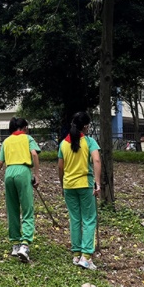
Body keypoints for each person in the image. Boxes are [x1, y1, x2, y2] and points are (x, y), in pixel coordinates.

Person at [0, 117, 41, 262]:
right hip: (23, 171)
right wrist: (37, 175)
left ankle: (15, 244)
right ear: (24, 128)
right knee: (27, 209)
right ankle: (25, 244)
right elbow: (34, 154)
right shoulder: (27, 138)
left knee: (12, 208)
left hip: (9, 173)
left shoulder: (6, 141)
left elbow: (0, 162)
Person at [57, 111, 101, 270]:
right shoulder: (89, 142)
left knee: (75, 219)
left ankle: (76, 254)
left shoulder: (63, 144)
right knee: (89, 219)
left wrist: (62, 184)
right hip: (85, 185)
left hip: (69, 185)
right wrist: (97, 183)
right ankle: (86, 256)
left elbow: (60, 167)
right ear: (85, 126)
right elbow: (96, 160)